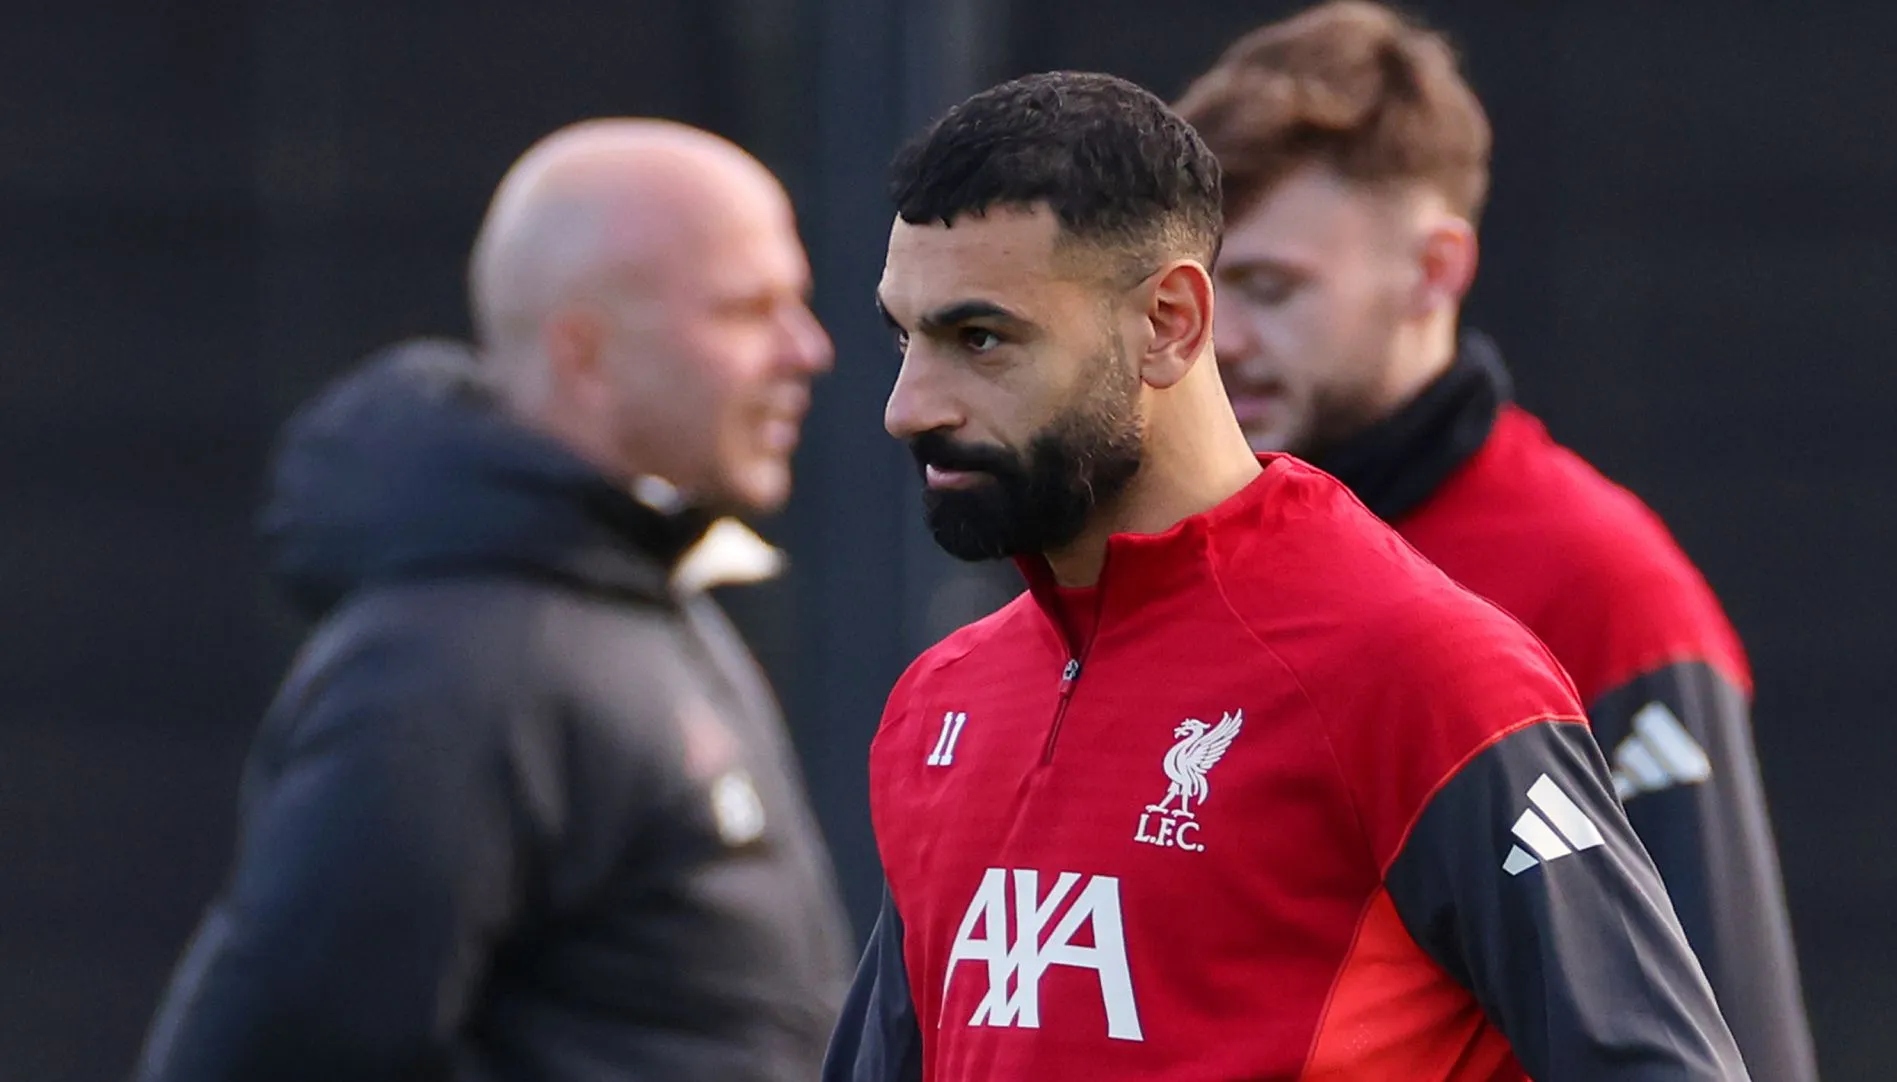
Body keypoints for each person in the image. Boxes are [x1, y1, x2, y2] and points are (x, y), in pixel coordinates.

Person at [825, 70, 1746, 1081]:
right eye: (904, 336)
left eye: (981, 338)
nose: (909, 406)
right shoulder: (942, 699)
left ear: (1170, 322)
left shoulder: (1424, 669)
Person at [134, 120, 852, 1082]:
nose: (807, 349)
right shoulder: (453, 669)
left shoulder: (624, 593)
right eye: (746, 311)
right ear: (584, 352)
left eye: (797, 303)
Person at [1176, 4, 1816, 1077]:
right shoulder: (1166, 554)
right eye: (1195, 288)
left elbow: (1726, 1037)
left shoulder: (1599, 583)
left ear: (1435, 270)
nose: (1219, 339)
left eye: (1271, 288)